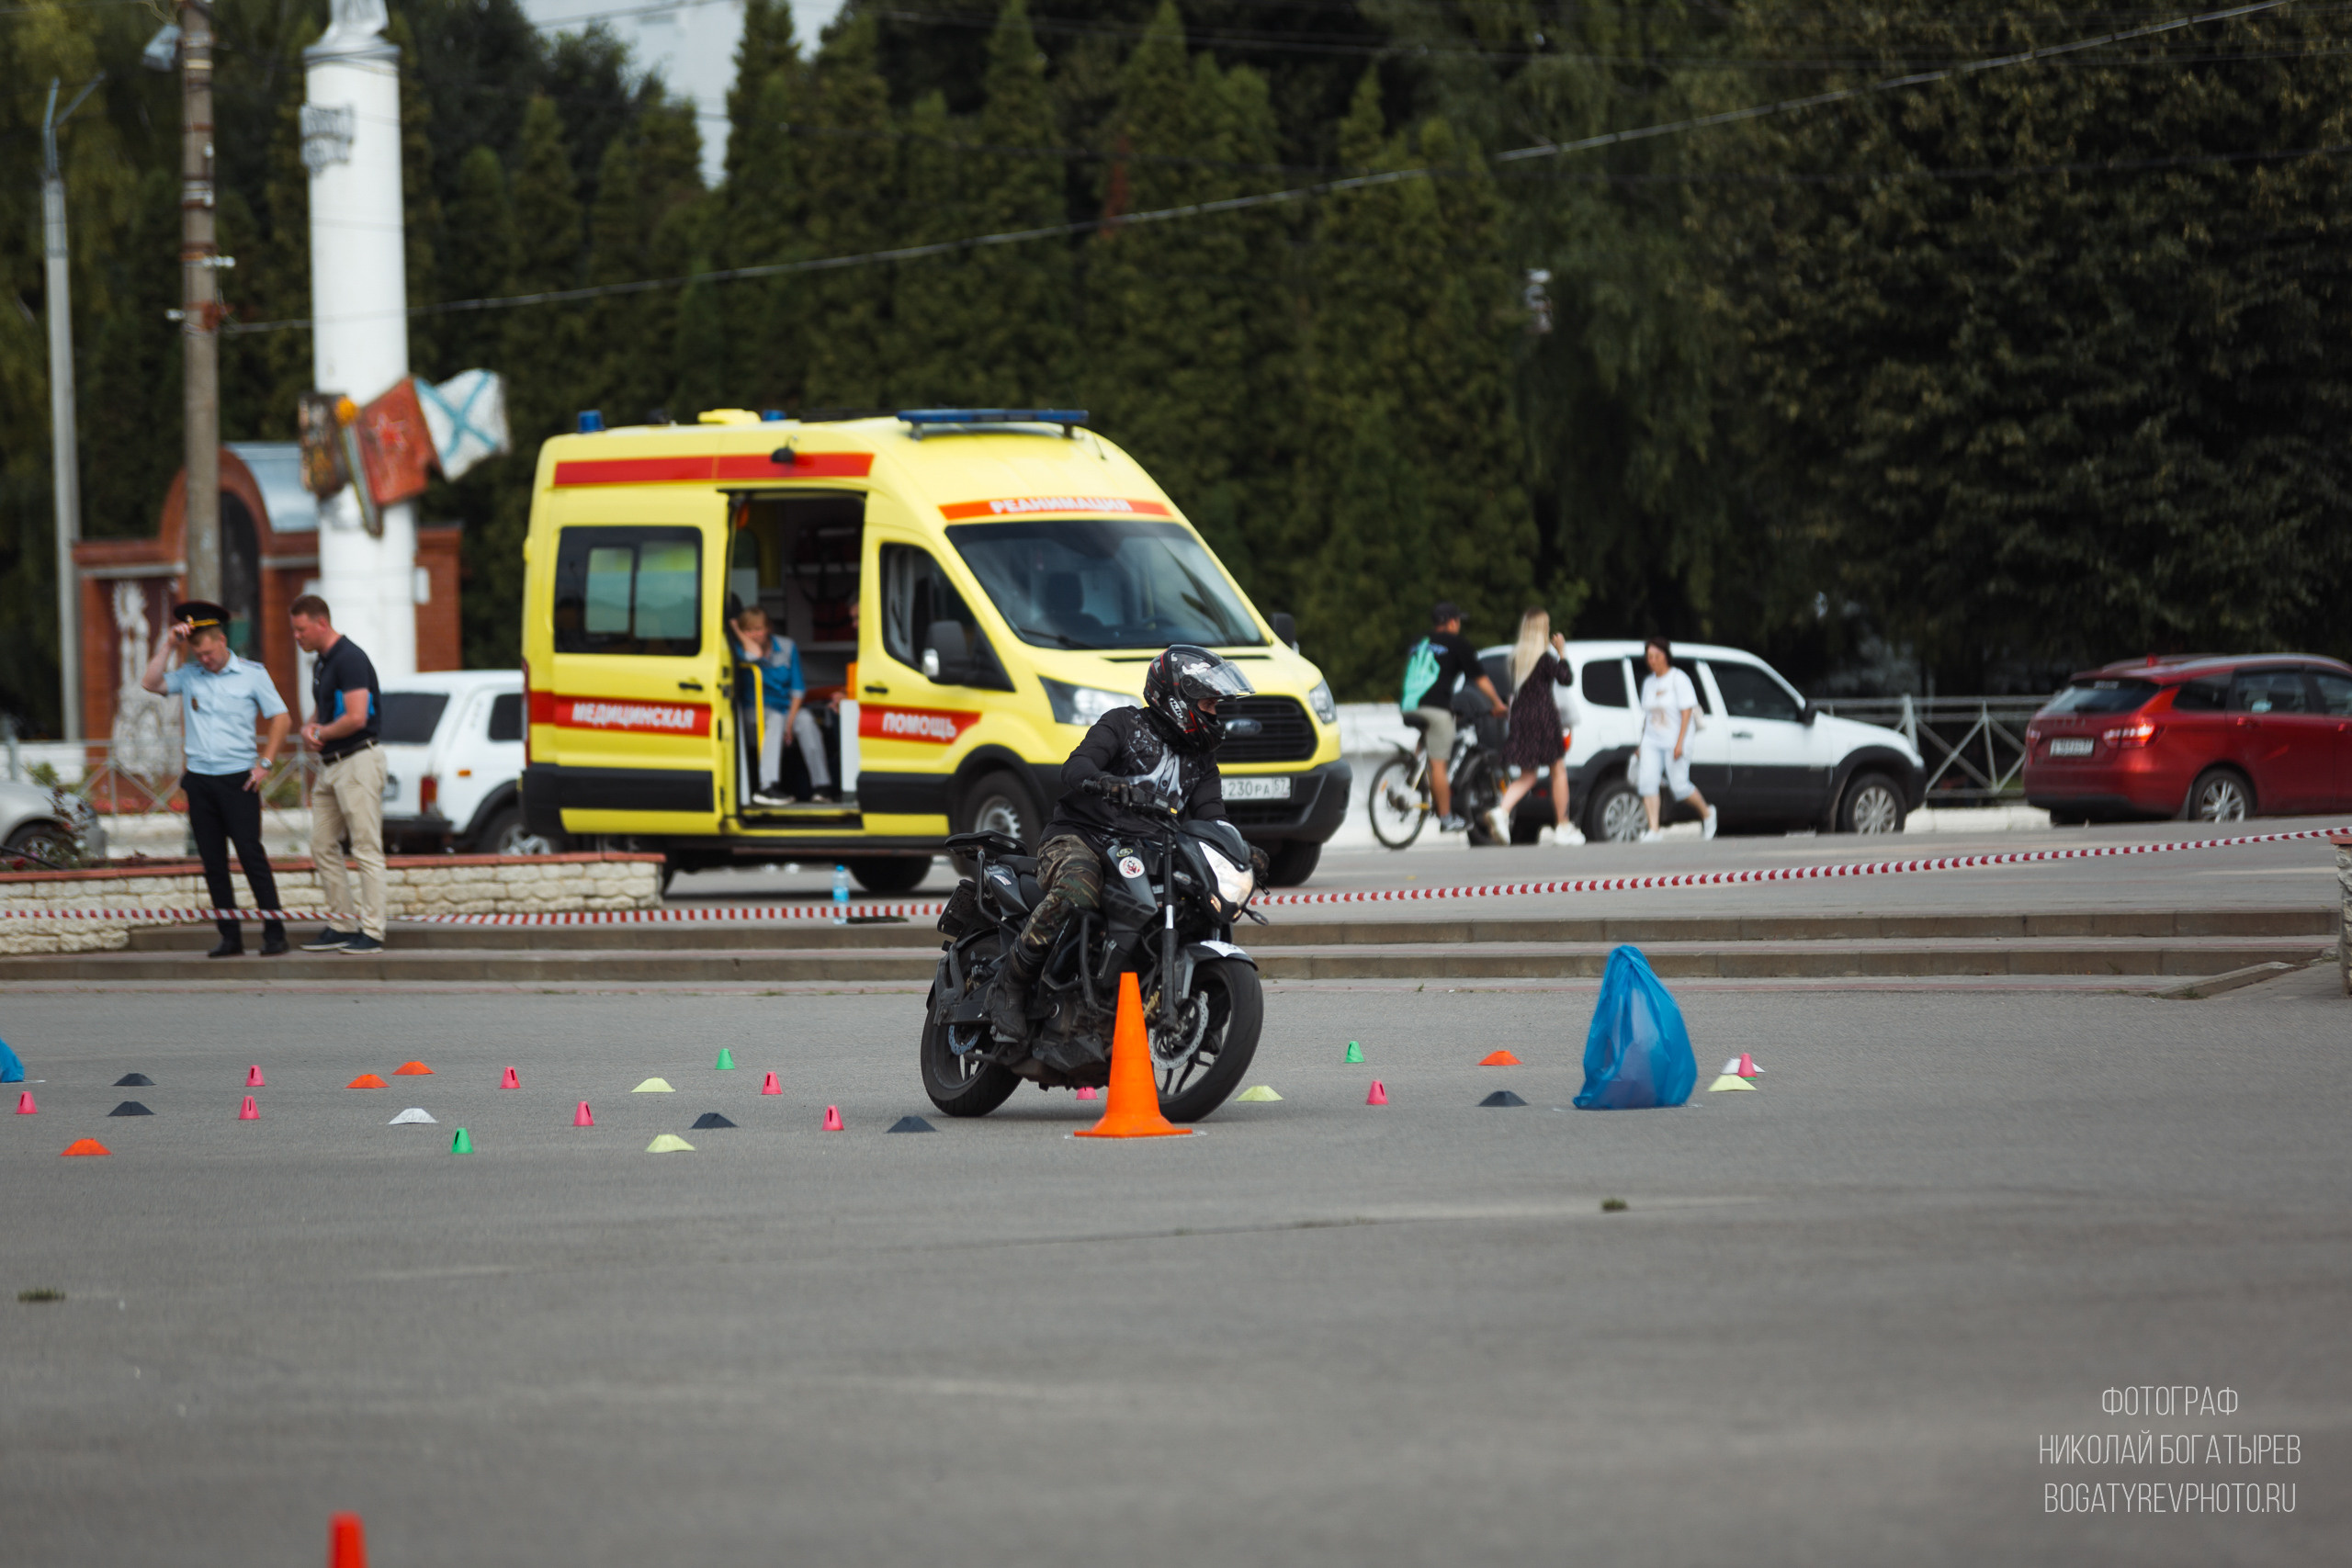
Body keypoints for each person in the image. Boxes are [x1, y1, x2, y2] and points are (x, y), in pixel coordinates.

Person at [986, 645, 1255, 1046]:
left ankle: (1187, 1012)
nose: (1216, 714)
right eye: (1210, 703)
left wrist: (1243, 853)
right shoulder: (1123, 725)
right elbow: (1076, 766)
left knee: (1198, 905)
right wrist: (1104, 781)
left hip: (1145, 852)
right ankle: (1010, 983)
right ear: (1179, 700)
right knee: (1079, 888)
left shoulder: (1201, 763)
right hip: (1080, 838)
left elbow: (1212, 819)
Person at [141, 601, 291, 958]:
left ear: (222, 641)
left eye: (208, 652)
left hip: (238, 779)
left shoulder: (252, 674)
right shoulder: (191, 674)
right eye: (198, 654)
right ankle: (230, 936)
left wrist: (265, 763)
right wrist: (168, 645)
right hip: (200, 780)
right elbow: (150, 683)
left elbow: (281, 717)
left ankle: (275, 933)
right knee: (213, 863)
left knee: (251, 855)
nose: (205, 659)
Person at [289, 595, 389, 953]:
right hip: (332, 764)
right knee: (321, 843)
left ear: (321, 624)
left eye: (301, 630)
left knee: (366, 848)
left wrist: (321, 733)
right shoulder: (324, 662)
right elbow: (327, 705)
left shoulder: (350, 658)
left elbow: (357, 716)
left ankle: (373, 931)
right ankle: (342, 922)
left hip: (358, 760)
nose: (297, 637)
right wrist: (313, 725)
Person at [1401, 601, 1507, 831]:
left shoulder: (1420, 641)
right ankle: (1446, 817)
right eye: (1458, 621)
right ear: (1451, 622)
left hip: (1409, 705)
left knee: (1434, 733)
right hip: (1434, 708)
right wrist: (1497, 704)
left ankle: (1413, 766)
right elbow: (1480, 679)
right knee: (1440, 763)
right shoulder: (1457, 643)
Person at [1487, 609, 1587, 847]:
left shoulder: (1516, 658)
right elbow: (1566, 678)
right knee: (1558, 770)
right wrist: (1562, 652)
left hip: (1521, 716)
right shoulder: (1545, 657)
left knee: (1528, 775)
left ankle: (1502, 811)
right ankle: (1562, 826)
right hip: (1543, 715)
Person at [732, 606, 832, 803]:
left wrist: (791, 723)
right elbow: (755, 653)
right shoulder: (740, 646)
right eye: (748, 630)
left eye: (758, 629)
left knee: (805, 720)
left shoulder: (786, 646)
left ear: (768, 628)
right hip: (754, 711)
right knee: (775, 719)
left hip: (786, 708)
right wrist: (735, 630)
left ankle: (823, 787)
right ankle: (768, 786)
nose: (753, 634)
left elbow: (797, 689)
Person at [1637, 636, 1718, 842]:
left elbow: (1687, 712)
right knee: (1647, 782)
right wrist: (1641, 743)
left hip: (1675, 739)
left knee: (1679, 786)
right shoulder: (1648, 682)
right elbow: (1647, 716)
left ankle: (1708, 814)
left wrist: (1680, 742)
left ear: (1665, 656)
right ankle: (1654, 829)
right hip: (1652, 740)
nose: (1652, 660)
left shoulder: (1678, 678)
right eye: (1649, 657)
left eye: (1656, 656)